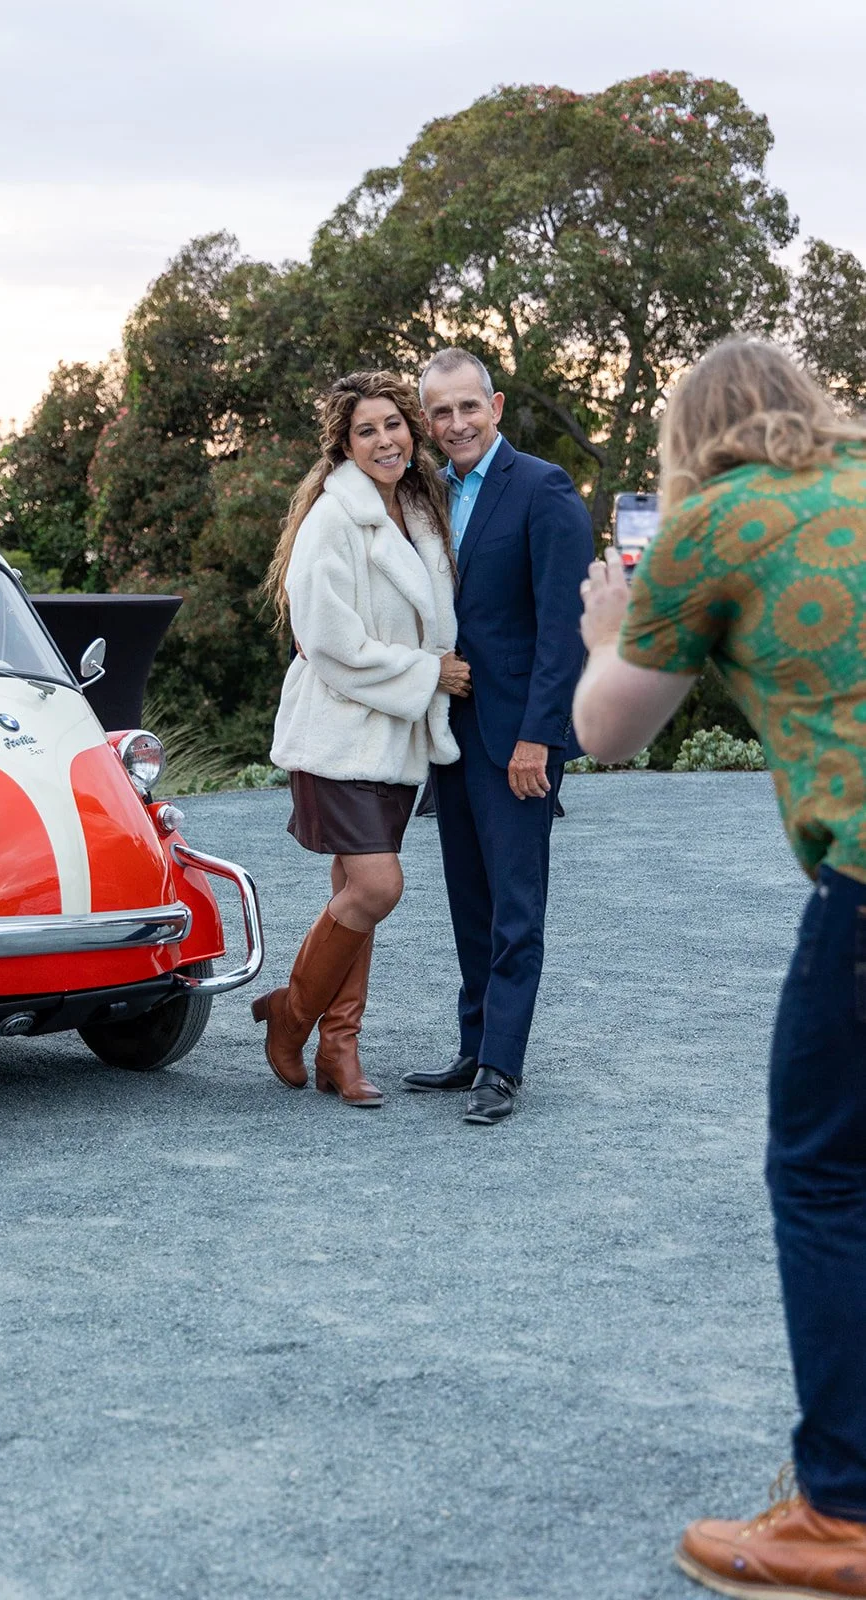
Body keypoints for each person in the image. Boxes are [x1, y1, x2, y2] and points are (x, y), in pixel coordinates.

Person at [573, 337, 866, 1598]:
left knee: (824, 1176)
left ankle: (845, 1513)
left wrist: (602, 627)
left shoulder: (713, 523)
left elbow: (608, 733)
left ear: (687, 440)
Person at [253, 371, 470, 1107]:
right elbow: (328, 642)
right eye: (366, 430)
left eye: (393, 425)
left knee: (355, 896)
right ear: (343, 446)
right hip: (341, 732)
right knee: (378, 886)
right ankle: (289, 1015)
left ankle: (337, 1051)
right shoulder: (333, 520)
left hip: (395, 740)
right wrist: (427, 674)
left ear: (412, 432)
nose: (384, 440)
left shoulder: (419, 508)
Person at [401, 349, 594, 1125]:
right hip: (450, 733)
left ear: (496, 406)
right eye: (440, 413)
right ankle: (472, 1045)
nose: (455, 425)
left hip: (516, 739)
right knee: (468, 902)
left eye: (467, 408)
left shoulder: (543, 490)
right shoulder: (424, 498)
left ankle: (502, 1069)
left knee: (516, 909)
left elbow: (564, 630)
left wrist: (537, 739)